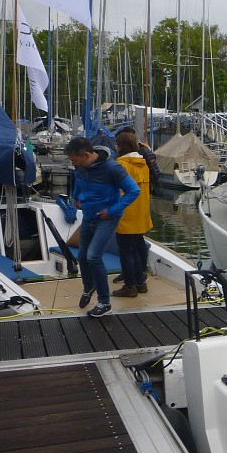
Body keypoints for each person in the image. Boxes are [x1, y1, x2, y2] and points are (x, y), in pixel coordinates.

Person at [66, 136, 141, 317]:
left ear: (85, 155)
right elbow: (78, 180)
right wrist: (76, 197)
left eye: (74, 160)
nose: (72, 163)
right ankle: (89, 286)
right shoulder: (80, 167)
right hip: (88, 216)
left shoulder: (112, 168)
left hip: (107, 218)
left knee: (93, 256)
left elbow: (133, 191)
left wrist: (113, 210)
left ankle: (104, 302)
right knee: (82, 256)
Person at [112, 131, 153, 299]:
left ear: (121, 146)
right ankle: (140, 282)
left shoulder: (121, 164)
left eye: (117, 144)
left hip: (126, 214)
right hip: (141, 213)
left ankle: (129, 286)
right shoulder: (143, 164)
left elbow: (117, 189)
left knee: (126, 252)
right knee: (136, 248)